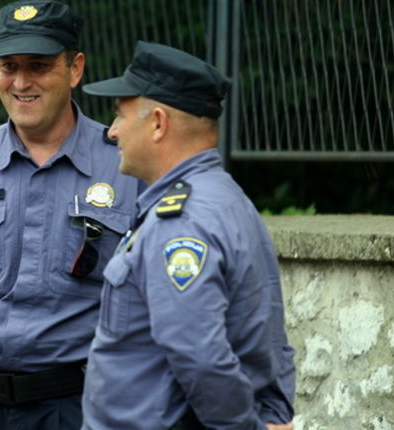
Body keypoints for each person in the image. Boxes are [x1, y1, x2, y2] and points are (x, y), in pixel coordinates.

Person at [0, 1, 143, 429]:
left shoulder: (126, 167)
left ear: (75, 69)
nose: (21, 82)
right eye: (8, 66)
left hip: (75, 409)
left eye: (39, 66)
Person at [80, 41, 296, 430]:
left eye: (119, 115)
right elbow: (269, 342)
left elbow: (199, 355)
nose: (112, 132)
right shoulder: (227, 200)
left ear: (158, 123)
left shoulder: (181, 222)